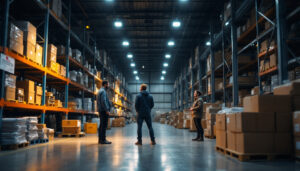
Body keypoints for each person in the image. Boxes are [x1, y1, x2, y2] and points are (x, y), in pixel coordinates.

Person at [97, 80, 112, 144]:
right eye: (108, 85)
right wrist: (106, 110)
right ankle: (103, 140)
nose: (108, 86)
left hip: (101, 110)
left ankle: (100, 139)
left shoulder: (100, 91)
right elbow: (103, 101)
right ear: (105, 84)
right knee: (104, 126)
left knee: (101, 125)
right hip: (104, 111)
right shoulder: (103, 91)